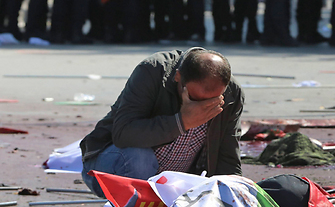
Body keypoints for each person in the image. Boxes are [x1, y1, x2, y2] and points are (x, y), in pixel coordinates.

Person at [80, 48, 244, 197]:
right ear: (177, 77)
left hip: (171, 185)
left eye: (213, 101)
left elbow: (228, 157)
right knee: (140, 158)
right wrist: (182, 122)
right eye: (195, 99)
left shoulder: (232, 93)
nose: (203, 107)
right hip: (110, 169)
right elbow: (123, 134)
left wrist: (235, 193)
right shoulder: (154, 71)